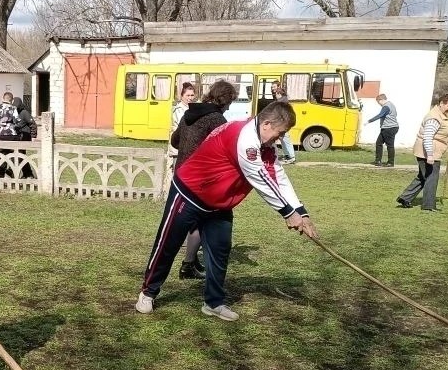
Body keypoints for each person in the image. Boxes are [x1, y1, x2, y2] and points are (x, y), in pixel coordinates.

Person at [136, 102, 319, 322]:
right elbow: (260, 180)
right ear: (267, 124)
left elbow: (277, 175)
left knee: (219, 251)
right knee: (168, 244)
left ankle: (213, 302)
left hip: (219, 203)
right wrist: (288, 213)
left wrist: (302, 211)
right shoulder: (247, 140)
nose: (279, 139)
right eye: (281, 133)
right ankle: (148, 292)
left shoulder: (265, 144)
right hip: (189, 193)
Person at [169, 79, 236, 279]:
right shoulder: (217, 120)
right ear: (224, 101)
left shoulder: (190, 112)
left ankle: (190, 262)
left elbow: (175, 140)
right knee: (202, 221)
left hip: (181, 174)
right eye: (229, 103)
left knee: (194, 222)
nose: (228, 108)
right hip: (200, 178)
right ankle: (188, 264)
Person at [396, 94, 448, 211]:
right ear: (441, 103)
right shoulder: (434, 118)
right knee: (431, 178)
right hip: (429, 152)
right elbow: (427, 137)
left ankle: (405, 198)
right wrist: (430, 155)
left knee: (424, 176)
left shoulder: (439, 115)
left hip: (430, 152)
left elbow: (439, 132)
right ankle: (428, 206)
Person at [0, 91, 31, 179]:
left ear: (2, 98)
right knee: (15, 155)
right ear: (11, 100)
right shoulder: (13, 108)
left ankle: (0, 176)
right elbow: (18, 123)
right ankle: (14, 172)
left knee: (0, 155)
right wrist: (16, 131)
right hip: (12, 136)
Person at [367, 93, 399, 166]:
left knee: (390, 145)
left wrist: (369, 121)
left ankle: (390, 162)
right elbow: (395, 114)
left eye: (378, 102)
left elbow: (380, 115)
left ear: (381, 100)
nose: (379, 104)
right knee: (379, 143)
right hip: (390, 127)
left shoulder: (386, 106)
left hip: (389, 128)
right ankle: (378, 161)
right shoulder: (391, 104)